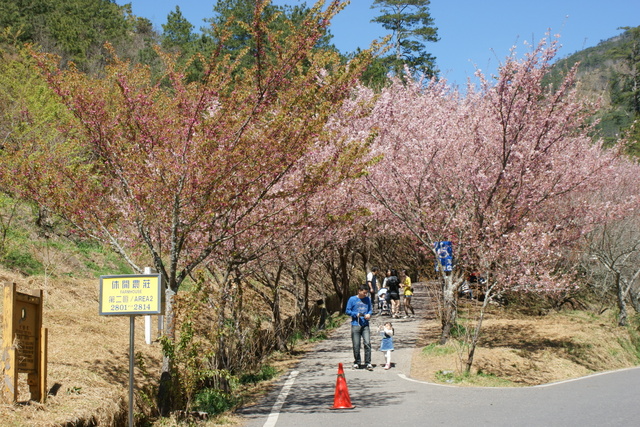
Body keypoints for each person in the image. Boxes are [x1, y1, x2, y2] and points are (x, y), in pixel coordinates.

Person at [345, 284, 373, 370]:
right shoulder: (352, 299)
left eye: (366, 293)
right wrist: (355, 314)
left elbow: (370, 309)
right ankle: (357, 361)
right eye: (364, 293)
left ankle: (368, 362)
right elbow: (347, 311)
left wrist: (369, 314)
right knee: (356, 344)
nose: (365, 294)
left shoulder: (367, 299)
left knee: (367, 343)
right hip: (355, 324)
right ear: (359, 291)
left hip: (365, 325)